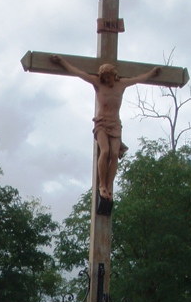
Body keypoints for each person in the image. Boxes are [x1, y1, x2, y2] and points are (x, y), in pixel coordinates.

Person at [49, 55, 161, 200]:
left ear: (113, 75)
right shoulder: (98, 84)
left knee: (114, 154)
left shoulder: (122, 84)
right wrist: (62, 62)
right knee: (105, 150)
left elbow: (139, 78)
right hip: (101, 122)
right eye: (104, 77)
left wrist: (152, 73)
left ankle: (109, 186)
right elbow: (78, 72)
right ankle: (102, 185)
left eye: (108, 77)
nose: (106, 80)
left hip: (115, 124)